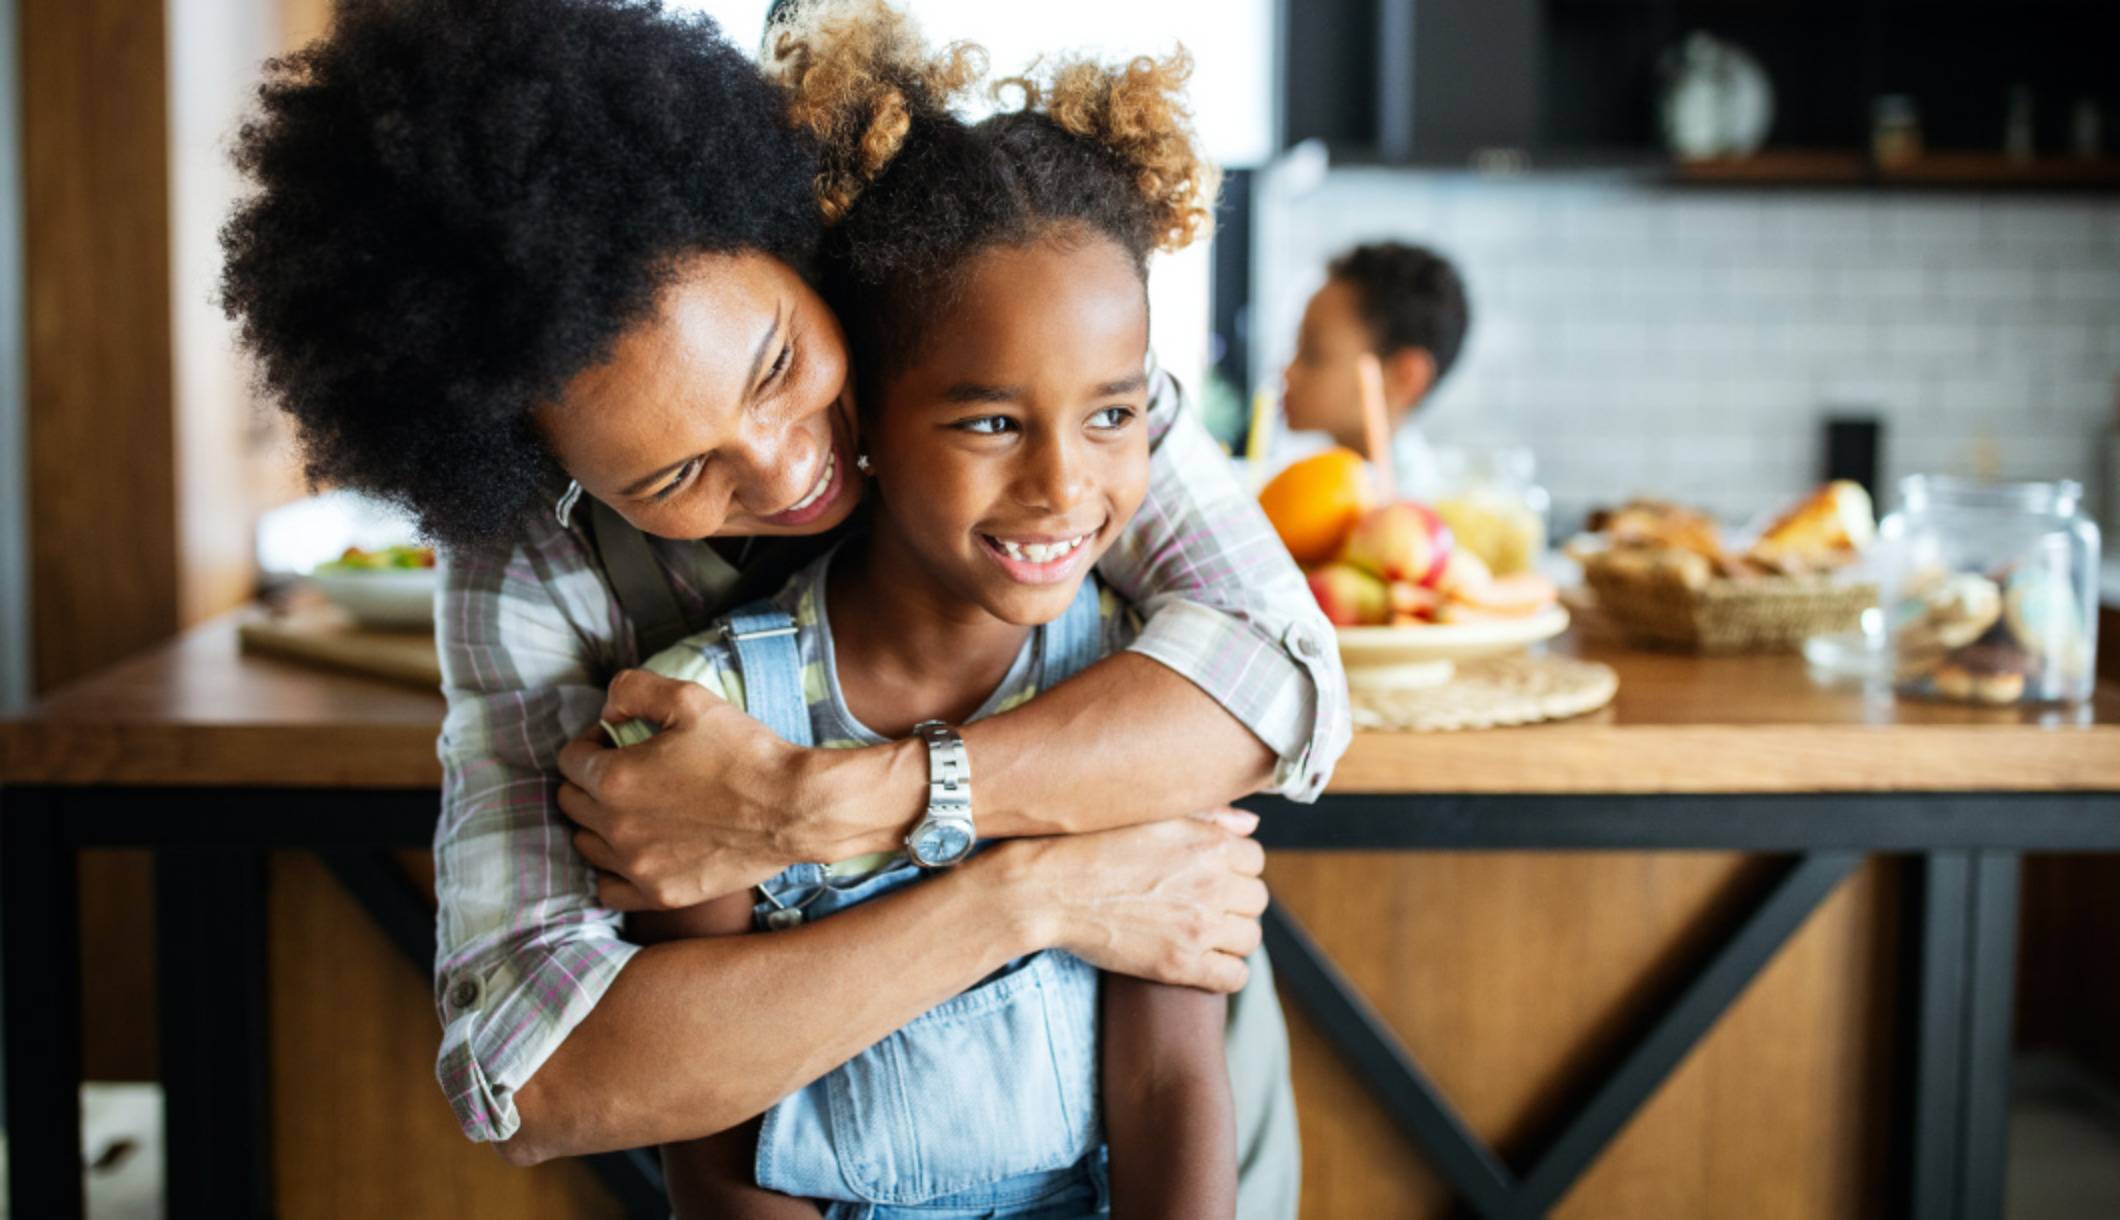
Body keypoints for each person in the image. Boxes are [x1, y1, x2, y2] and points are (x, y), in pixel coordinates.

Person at [217, 2, 1345, 1214]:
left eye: (774, 367)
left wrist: (820, 803)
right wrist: (1029, 892)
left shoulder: (1003, 351)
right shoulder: (534, 566)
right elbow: (535, 1070)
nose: (780, 469)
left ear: (794, 243)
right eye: (670, 476)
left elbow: (1279, 681)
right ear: (552, 475)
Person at [615, 8, 1234, 1215]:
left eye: (1111, 416)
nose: (1063, 484)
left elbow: (1169, 1075)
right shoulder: (711, 719)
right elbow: (717, 1137)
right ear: (866, 429)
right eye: (991, 422)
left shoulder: (1138, 692)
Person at [1278, 241, 1470, 494]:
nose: (1287, 372)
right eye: (1297, 347)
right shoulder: (1299, 485)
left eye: (1314, 354)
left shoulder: (1412, 511)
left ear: (1405, 377)